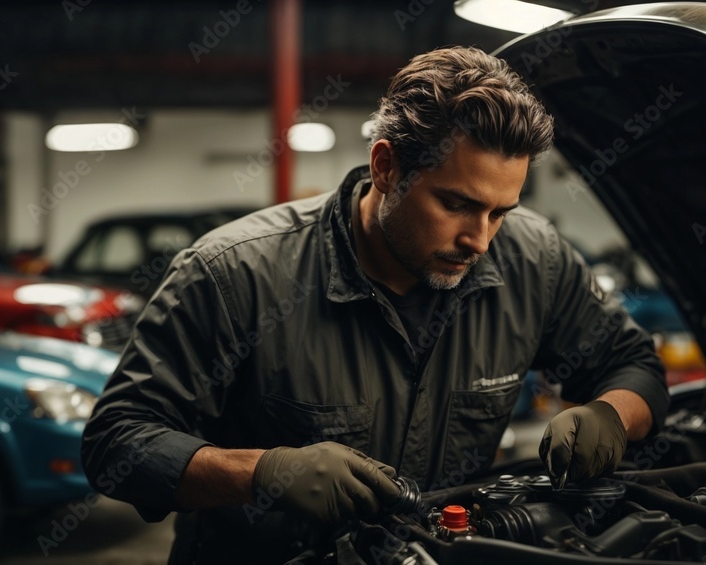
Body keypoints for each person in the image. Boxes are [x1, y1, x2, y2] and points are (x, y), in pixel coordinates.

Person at [81, 45, 668, 563]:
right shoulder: (235, 274)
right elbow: (118, 442)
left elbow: (634, 365)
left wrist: (612, 414)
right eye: (456, 204)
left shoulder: (532, 260)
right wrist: (264, 472)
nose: (480, 240)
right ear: (386, 167)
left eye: (500, 212)